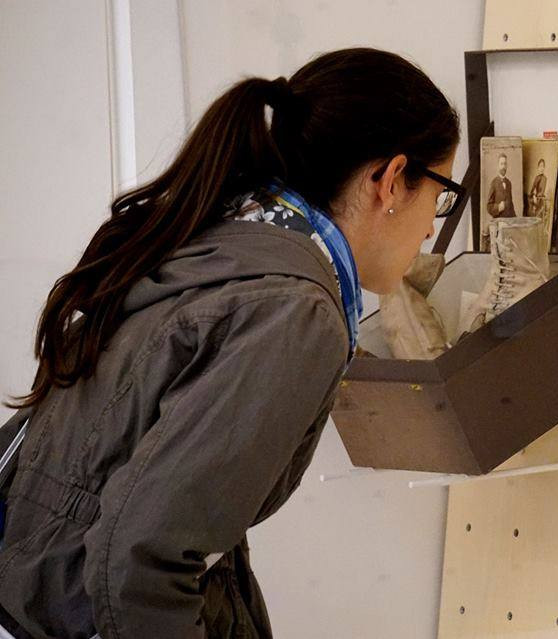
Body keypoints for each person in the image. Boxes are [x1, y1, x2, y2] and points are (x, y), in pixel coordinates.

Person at [0, 48, 460, 639]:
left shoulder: (225, 239)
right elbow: (143, 558)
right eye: (440, 195)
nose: (432, 225)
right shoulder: (296, 314)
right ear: (390, 180)